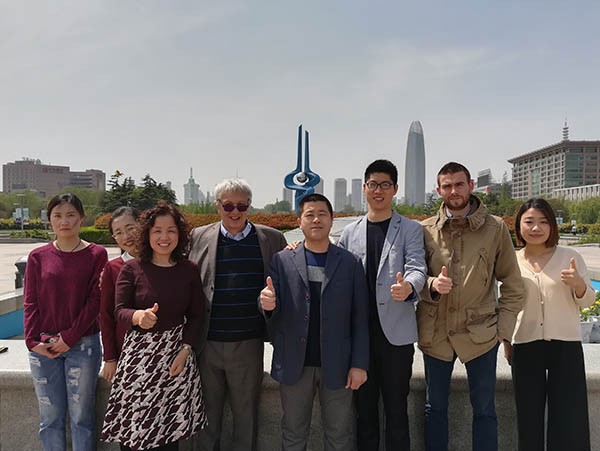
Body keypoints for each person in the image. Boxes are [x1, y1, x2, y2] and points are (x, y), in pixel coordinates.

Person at [418, 162, 524, 451]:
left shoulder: (495, 228)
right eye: (447, 186)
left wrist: (504, 331)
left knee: (485, 408)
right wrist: (431, 284)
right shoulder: (424, 230)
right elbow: (412, 277)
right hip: (436, 332)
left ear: (471, 186)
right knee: (434, 407)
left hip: (481, 333)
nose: (453, 191)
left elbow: (512, 284)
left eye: (459, 184)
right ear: (439, 190)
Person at [260, 193, 369, 451]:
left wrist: (359, 364)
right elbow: (270, 304)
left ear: (332, 220)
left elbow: (360, 318)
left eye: (322, 214)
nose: (316, 219)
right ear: (299, 222)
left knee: (339, 435)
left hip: (339, 364)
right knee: (293, 433)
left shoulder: (350, 263)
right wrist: (266, 304)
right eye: (309, 215)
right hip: (294, 363)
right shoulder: (282, 260)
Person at [188, 178, 287, 451]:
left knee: (246, 417)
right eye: (228, 206)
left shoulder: (272, 239)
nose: (235, 212)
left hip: (248, 343)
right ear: (217, 206)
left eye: (241, 206)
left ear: (249, 206)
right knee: (206, 417)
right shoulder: (197, 237)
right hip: (207, 342)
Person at [101, 201, 206, 451]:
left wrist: (185, 350)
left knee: (169, 434)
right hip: (139, 360)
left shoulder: (189, 270)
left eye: (171, 230)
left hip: (174, 359)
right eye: (157, 230)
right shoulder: (131, 268)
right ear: (147, 234)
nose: (164, 237)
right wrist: (138, 316)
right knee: (135, 432)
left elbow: (197, 315)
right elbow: (118, 310)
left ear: (179, 234)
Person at [338, 159, 427, 450]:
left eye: (385, 185)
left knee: (397, 411)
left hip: (396, 337)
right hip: (360, 337)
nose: (379, 190)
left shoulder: (410, 229)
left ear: (395, 189)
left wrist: (409, 286)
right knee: (364, 412)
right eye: (373, 184)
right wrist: (297, 248)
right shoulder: (350, 232)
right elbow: (335, 270)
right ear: (364, 188)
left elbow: (417, 267)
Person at [505, 198, 593, 450]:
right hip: (525, 344)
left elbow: (588, 300)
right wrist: (506, 341)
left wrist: (578, 284)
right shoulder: (511, 261)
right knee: (528, 416)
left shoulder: (570, 256)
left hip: (565, 345)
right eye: (529, 221)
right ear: (519, 226)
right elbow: (505, 304)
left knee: (569, 418)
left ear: (552, 225)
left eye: (543, 221)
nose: (536, 228)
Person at [23, 193, 108, 451]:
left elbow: (96, 301)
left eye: (71, 215)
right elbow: (31, 302)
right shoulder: (37, 256)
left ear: (82, 218)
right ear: (49, 220)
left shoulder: (97, 254)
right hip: (44, 348)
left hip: (83, 346)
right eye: (57, 215)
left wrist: (69, 338)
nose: (64, 221)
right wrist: (32, 342)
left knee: (82, 418)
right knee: (50, 418)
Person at [99, 206, 140, 383]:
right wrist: (110, 358)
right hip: (126, 349)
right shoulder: (113, 268)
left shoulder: (163, 260)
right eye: (118, 233)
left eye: (131, 228)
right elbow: (106, 315)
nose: (126, 236)